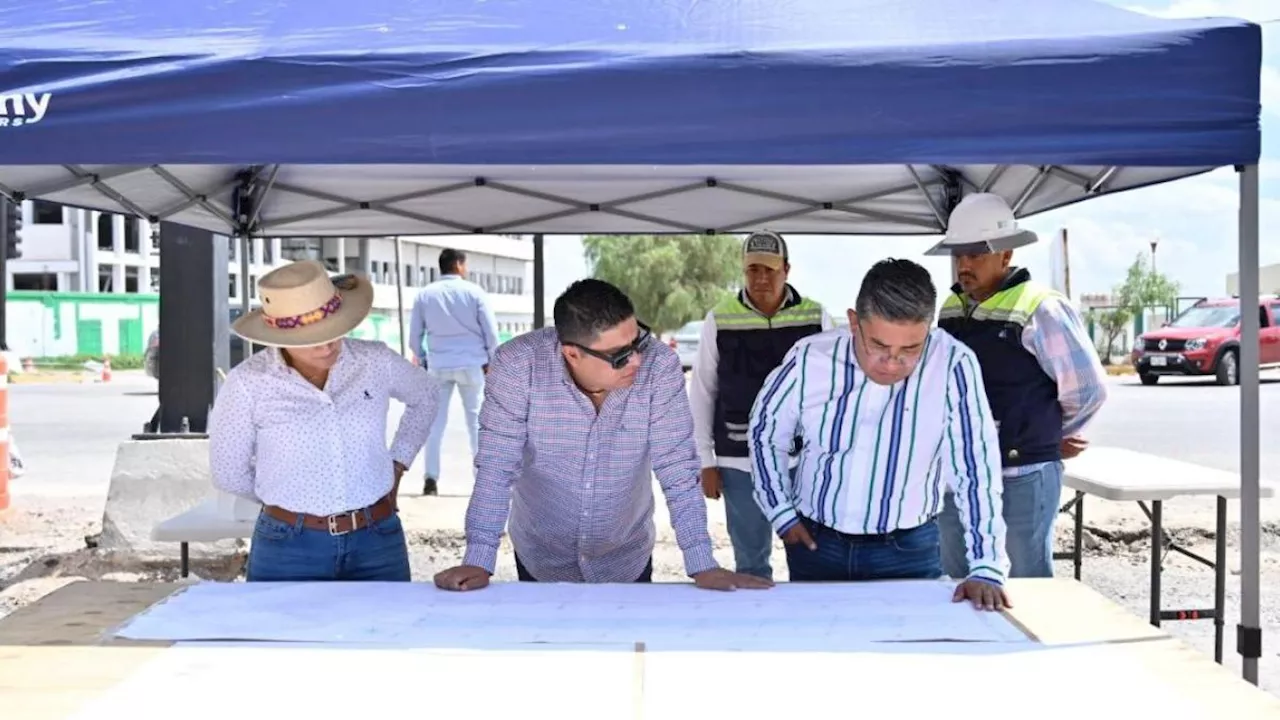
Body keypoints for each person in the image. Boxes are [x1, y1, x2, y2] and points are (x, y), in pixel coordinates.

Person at [434, 279, 771, 591]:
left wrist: (702, 563)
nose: (638, 360)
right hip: (541, 556)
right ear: (572, 353)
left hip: (627, 556)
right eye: (621, 355)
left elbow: (678, 468)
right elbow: (496, 468)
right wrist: (479, 558)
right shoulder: (517, 367)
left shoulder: (660, 366)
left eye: (638, 340)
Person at [748, 258, 1010, 610]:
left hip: (909, 551)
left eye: (911, 349)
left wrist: (986, 564)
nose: (892, 363)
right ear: (854, 322)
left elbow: (975, 467)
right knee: (818, 649)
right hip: (815, 545)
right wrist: (781, 512)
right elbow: (765, 431)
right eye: (879, 346)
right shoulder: (811, 357)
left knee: (908, 655)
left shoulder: (953, 364)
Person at [208, 260, 439, 582]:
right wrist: (287, 499)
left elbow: (426, 395)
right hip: (288, 546)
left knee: (386, 629)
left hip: (377, 538)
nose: (328, 344)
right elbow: (229, 472)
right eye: (311, 338)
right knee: (283, 632)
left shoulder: (375, 360)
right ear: (277, 335)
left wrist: (398, 462)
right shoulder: (248, 382)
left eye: (335, 331)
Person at [926, 193, 1107, 579]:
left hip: (1023, 471)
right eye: (959, 254)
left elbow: (1088, 389)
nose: (964, 264)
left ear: (1006, 255)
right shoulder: (953, 308)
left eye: (976, 254)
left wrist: (1050, 434)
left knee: (1028, 580)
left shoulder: (1041, 307)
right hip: (962, 471)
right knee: (958, 576)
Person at [690, 231, 834, 580]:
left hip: (802, 461)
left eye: (770, 270)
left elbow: (832, 393)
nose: (761, 278)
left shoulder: (816, 316)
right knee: (751, 563)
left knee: (810, 556)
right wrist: (705, 461)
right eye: (753, 269)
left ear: (786, 269)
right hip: (738, 461)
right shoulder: (719, 318)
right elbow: (703, 391)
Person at [409, 248, 499, 496]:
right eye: (465, 264)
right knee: (476, 424)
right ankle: (481, 479)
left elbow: (415, 335)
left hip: (438, 366)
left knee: (435, 424)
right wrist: (492, 359)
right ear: (458, 265)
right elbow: (491, 332)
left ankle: (430, 479)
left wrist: (424, 358)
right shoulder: (475, 292)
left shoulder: (425, 295)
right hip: (472, 365)